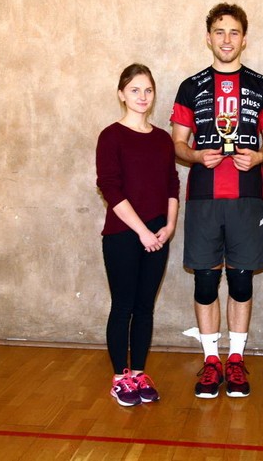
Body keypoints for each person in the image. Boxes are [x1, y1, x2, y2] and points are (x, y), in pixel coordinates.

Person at [171, 3, 263, 398]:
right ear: (208, 38)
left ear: (244, 39)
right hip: (203, 198)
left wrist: (260, 157)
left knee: (240, 279)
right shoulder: (191, 87)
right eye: (219, 31)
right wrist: (196, 155)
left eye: (234, 32)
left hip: (247, 199)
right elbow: (178, 144)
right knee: (204, 281)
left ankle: (235, 359)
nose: (227, 39)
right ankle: (210, 361)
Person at [96, 63, 180, 407]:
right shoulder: (111, 136)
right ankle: (120, 377)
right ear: (121, 94)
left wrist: (169, 226)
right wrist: (142, 231)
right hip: (123, 235)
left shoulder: (162, 139)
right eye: (134, 90)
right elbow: (110, 188)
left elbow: (172, 184)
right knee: (124, 306)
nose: (142, 96)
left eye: (148, 90)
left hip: (157, 235)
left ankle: (140, 373)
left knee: (145, 308)